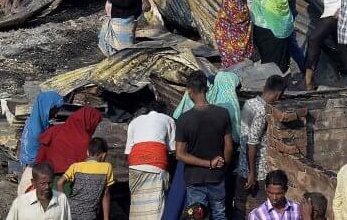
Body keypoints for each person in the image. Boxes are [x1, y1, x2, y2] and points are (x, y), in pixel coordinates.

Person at [174, 72, 233, 220]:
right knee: (220, 214)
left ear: (190, 92)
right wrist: (222, 166)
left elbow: (180, 154)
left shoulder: (184, 119)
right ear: (206, 89)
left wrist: (208, 164)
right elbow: (229, 146)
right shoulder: (223, 114)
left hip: (194, 178)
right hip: (217, 177)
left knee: (196, 216)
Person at [239, 76, 293, 196]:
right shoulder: (262, 112)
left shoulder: (250, 103)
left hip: (243, 164)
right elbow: (252, 143)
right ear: (279, 94)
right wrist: (252, 174)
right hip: (258, 170)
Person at [124, 102, 174, 220]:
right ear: (163, 111)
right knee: (156, 203)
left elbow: (128, 151)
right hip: (156, 163)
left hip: (134, 163)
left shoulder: (135, 121)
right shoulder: (168, 119)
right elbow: (172, 149)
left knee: (137, 201)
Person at [250, 0, 293, 70]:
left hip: (279, 28)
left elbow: (282, 3)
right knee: (271, 63)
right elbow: (269, 10)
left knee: (282, 60)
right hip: (266, 29)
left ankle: (282, 84)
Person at [35, 108, 103, 172]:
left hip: (46, 174)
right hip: (69, 178)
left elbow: (41, 154)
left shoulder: (54, 130)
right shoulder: (84, 141)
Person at [61, 137, 113, 220]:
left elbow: (60, 183)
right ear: (104, 155)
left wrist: (64, 203)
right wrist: (106, 218)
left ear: (87, 153)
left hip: (70, 212)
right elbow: (106, 194)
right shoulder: (107, 167)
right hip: (89, 215)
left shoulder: (75, 166)